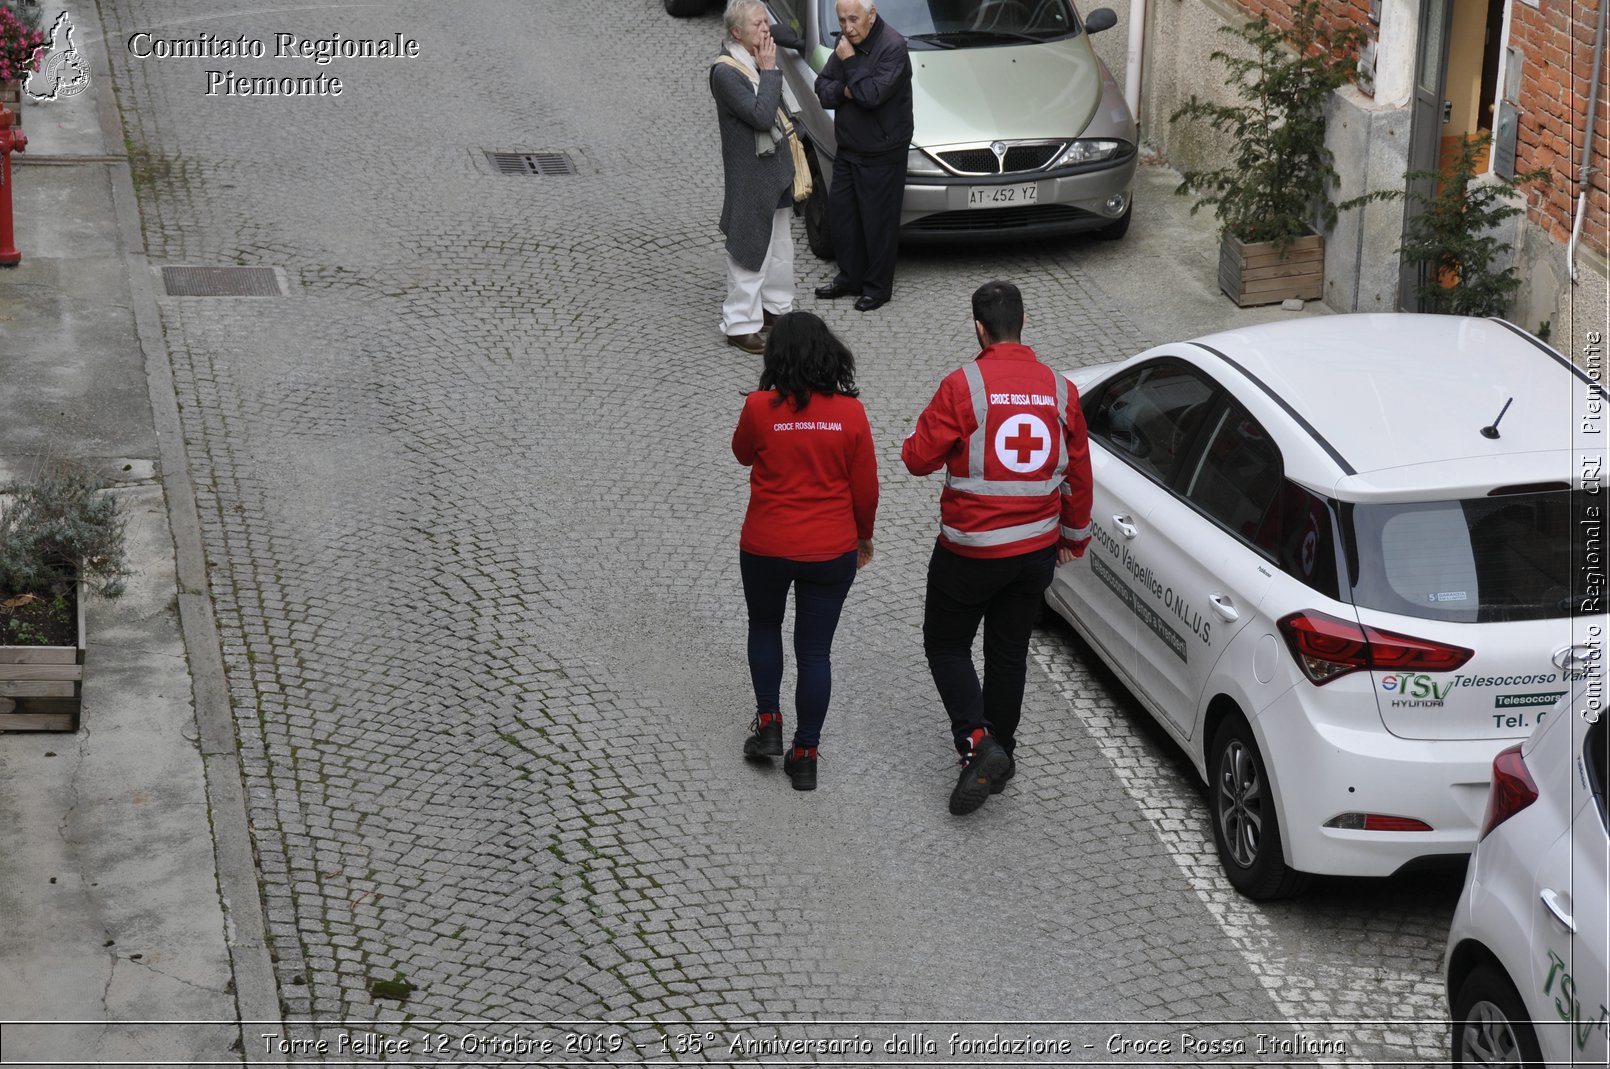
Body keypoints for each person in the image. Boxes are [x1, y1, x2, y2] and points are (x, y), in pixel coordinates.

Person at [901, 281, 1093, 815]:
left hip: (970, 552)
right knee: (1008, 653)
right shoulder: (1061, 390)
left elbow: (918, 458)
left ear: (979, 329)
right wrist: (1073, 535)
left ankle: (978, 744)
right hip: (1034, 551)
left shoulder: (964, 386)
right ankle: (1000, 755)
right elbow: (1078, 470)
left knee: (945, 644)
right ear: (1022, 324)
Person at [732, 312, 878, 791]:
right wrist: (863, 535)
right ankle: (806, 754)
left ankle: (769, 722)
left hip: (767, 545)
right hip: (830, 549)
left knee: (764, 625)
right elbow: (866, 489)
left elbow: (742, 453)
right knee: (815, 652)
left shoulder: (758, 407)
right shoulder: (852, 414)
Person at [811, 0, 912, 313]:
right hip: (849, 149)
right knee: (843, 217)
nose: (847, 28)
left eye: (853, 19)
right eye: (842, 20)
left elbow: (871, 96)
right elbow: (822, 87)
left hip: (882, 151)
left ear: (872, 15)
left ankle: (877, 288)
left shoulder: (892, 47)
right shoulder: (845, 45)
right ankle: (850, 276)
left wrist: (851, 67)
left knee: (877, 223)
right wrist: (847, 90)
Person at [711, 0, 796, 355]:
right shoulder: (726, 74)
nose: (766, 30)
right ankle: (740, 324)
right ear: (736, 32)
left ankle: (774, 308)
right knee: (750, 251)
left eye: (766, 22)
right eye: (758, 24)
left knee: (780, 250)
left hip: (773, 175)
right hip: (750, 178)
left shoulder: (757, 54)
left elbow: (790, 34)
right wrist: (770, 70)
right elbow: (762, 117)